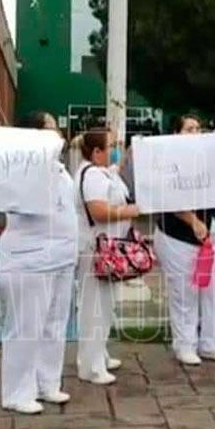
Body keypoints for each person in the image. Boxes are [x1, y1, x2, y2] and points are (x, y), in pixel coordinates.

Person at [0, 111, 77, 414]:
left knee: (54, 324)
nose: (59, 134)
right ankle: (17, 392)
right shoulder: (20, 167)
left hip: (61, 257)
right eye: (51, 128)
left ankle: (47, 383)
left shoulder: (59, 169)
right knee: (25, 327)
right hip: (29, 260)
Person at [156, 114, 215, 365]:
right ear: (176, 133)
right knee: (185, 292)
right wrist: (192, 220)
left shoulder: (206, 155)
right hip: (179, 236)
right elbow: (169, 197)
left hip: (212, 234)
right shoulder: (169, 159)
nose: (195, 132)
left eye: (198, 128)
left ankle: (212, 343)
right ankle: (185, 345)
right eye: (189, 128)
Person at [75, 127, 140, 385]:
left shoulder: (103, 172)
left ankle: (98, 354)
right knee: (94, 308)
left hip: (109, 249)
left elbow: (117, 169)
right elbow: (99, 211)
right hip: (95, 250)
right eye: (111, 146)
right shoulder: (92, 175)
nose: (115, 150)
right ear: (96, 152)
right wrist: (129, 211)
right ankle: (91, 366)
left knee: (104, 306)